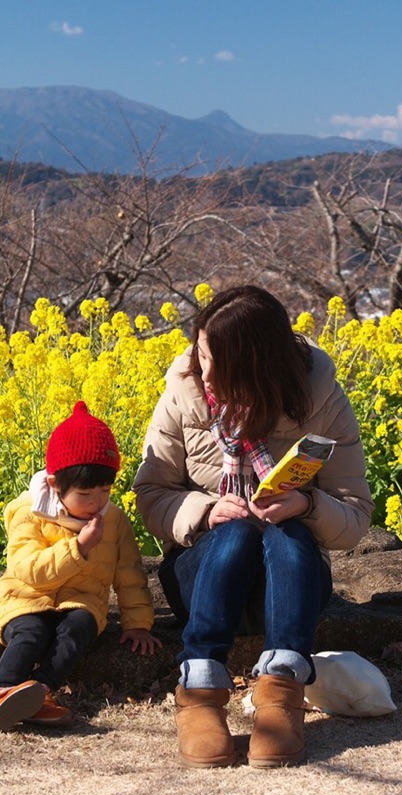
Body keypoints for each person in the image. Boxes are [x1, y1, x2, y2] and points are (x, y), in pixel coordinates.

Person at [133, 285, 373, 769]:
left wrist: (305, 504)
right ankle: (199, 690)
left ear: (262, 368)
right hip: (204, 577)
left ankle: (281, 693)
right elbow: (151, 494)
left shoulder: (319, 395)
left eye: (223, 365)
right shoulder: (184, 391)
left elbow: (354, 517)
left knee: (289, 532)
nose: (207, 375)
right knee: (237, 530)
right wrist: (203, 511)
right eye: (201, 355)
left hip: (289, 586)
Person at [0, 401, 161, 732]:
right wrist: (79, 548)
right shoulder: (28, 510)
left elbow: (129, 573)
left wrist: (137, 622)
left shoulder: (112, 518)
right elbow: (28, 569)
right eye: (86, 493)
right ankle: (5, 688)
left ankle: (40, 693)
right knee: (31, 634)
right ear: (55, 484)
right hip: (26, 598)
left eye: (105, 490)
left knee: (78, 630)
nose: (96, 502)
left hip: (82, 602)